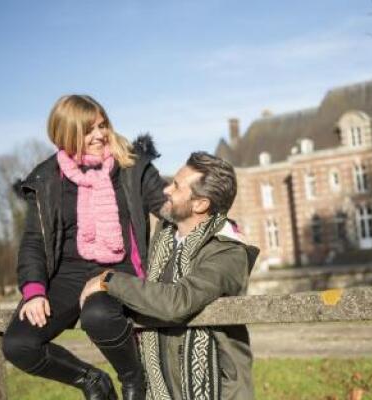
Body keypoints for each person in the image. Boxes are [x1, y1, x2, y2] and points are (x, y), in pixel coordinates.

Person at [2, 94, 166, 400]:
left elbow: (169, 205)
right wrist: (34, 291)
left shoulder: (131, 164)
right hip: (66, 274)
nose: (100, 135)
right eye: (89, 130)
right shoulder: (46, 177)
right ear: (67, 134)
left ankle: (133, 379)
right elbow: (34, 242)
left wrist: (211, 216)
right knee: (18, 345)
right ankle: (92, 381)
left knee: (99, 316)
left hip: (117, 268)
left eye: (102, 125)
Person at [80, 151, 260, 400]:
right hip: (160, 389)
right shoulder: (165, 236)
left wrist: (109, 280)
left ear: (200, 204)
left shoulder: (228, 251)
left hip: (217, 391)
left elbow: (177, 301)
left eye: (176, 186)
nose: (166, 190)